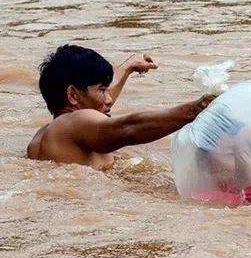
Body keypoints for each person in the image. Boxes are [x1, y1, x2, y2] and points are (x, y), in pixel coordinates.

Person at [27, 44, 215, 169]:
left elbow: (96, 108)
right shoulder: (72, 123)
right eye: (102, 90)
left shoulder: (49, 133)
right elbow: (127, 128)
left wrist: (128, 66)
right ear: (73, 95)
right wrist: (197, 108)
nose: (109, 99)